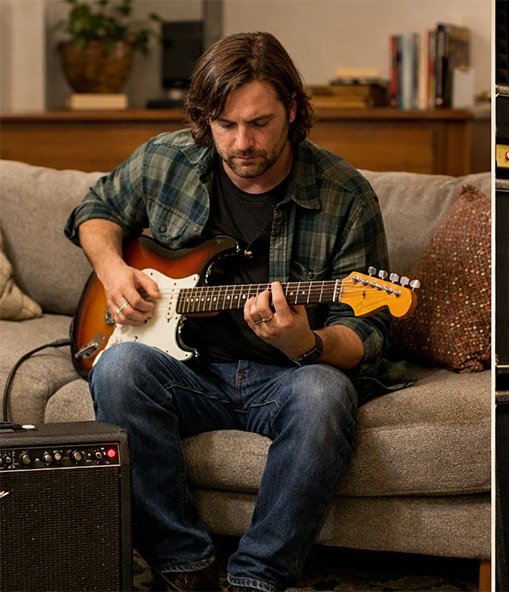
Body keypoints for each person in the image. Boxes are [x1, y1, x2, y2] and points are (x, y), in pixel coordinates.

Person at [64, 32, 391, 592]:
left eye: (260, 122)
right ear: (205, 119)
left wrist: (304, 344)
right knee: (117, 369)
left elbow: (369, 329)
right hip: (186, 373)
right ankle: (183, 567)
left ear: (292, 109)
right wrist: (115, 273)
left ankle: (256, 579)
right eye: (225, 124)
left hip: (285, 377)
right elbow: (95, 210)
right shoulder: (166, 160)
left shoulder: (345, 195)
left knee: (326, 393)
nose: (242, 142)